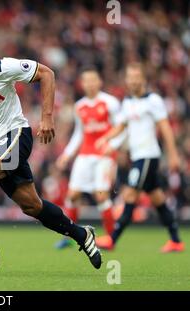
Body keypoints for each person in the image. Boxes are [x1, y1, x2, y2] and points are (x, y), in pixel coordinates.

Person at [0, 26, 102, 269]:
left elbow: (47, 73)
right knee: (32, 206)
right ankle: (82, 235)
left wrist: (47, 117)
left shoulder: (2, 68)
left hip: (16, 135)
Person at [95, 63, 185, 253]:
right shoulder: (127, 102)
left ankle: (113, 238)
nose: (133, 80)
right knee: (158, 198)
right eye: (130, 77)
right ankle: (176, 240)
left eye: (137, 77)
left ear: (144, 79)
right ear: (126, 79)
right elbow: (121, 126)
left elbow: (165, 128)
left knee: (129, 194)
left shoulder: (153, 100)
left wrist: (173, 155)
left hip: (147, 156)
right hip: (137, 156)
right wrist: (106, 139)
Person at [55, 68, 125, 249]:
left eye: (93, 80)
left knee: (101, 195)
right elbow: (79, 134)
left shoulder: (110, 102)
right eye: (86, 81)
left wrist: (113, 146)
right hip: (85, 155)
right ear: (82, 84)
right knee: (72, 195)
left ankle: (111, 238)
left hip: (104, 156)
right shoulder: (80, 106)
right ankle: (68, 237)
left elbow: (121, 128)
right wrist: (66, 155)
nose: (90, 84)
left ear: (99, 82)